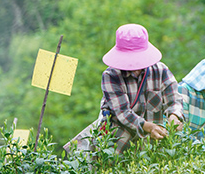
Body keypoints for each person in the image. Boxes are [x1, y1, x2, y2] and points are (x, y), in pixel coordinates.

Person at [65, 23, 183, 155]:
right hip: (119, 144)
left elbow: (174, 99)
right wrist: (149, 127)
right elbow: (123, 113)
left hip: (153, 145)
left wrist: (174, 116)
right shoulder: (111, 76)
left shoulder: (160, 71)